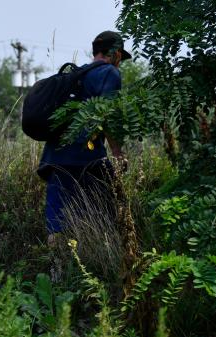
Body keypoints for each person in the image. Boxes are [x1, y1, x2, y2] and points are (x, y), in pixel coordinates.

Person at [38, 30, 131, 273]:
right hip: (86, 158)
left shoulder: (76, 73)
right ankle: (97, 270)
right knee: (107, 211)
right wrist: (119, 153)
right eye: (120, 56)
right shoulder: (110, 72)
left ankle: (57, 274)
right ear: (117, 53)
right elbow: (110, 115)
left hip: (55, 157)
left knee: (57, 221)